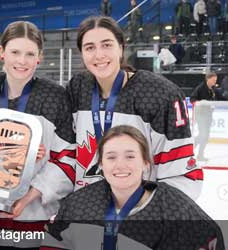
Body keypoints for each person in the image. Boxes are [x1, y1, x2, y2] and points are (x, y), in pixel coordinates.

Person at [0, 21, 75, 250]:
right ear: (1, 52)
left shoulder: (55, 96)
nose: (22, 61)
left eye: (30, 54)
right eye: (15, 52)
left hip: (34, 219)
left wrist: (28, 196)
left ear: (39, 57)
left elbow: (67, 160)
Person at [68, 16, 202, 200]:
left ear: (121, 48)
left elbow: (181, 175)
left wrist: (147, 211)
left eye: (107, 45)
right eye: (90, 47)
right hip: (87, 212)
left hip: (138, 217)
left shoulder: (159, 93)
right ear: (81, 53)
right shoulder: (77, 88)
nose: (99, 55)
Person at [40, 125, 225, 250]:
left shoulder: (175, 209)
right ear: (101, 164)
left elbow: (210, 238)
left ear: (145, 162)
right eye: (111, 157)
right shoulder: (78, 204)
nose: (120, 165)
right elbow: (54, 242)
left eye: (130, 156)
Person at [190, 72, 226, 162]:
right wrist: (201, 103)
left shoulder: (214, 89)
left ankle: (196, 153)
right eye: (213, 80)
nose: (215, 82)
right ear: (208, 79)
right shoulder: (201, 88)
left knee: (205, 136)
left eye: (216, 80)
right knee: (204, 135)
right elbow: (192, 99)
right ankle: (194, 153)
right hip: (200, 115)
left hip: (208, 115)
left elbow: (221, 98)